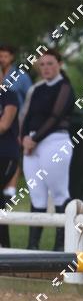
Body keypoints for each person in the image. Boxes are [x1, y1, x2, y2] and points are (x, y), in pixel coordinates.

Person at [20, 49, 75, 250]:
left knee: (59, 193)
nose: (46, 68)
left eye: (50, 63)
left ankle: (60, 246)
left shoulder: (65, 87)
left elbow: (55, 116)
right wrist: (24, 138)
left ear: (59, 64)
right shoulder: (37, 89)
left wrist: (34, 139)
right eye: (42, 64)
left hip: (55, 142)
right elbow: (27, 116)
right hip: (31, 146)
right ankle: (32, 247)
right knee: (37, 195)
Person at [0, 44, 33, 200]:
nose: (2, 59)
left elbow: (31, 98)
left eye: (5, 56)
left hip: (16, 120)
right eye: (0, 56)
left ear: (12, 57)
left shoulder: (21, 77)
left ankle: (11, 189)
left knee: (12, 156)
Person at [0, 87, 19, 247]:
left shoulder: (9, 96)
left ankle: (5, 246)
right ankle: (5, 246)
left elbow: (4, 125)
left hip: (6, 155)